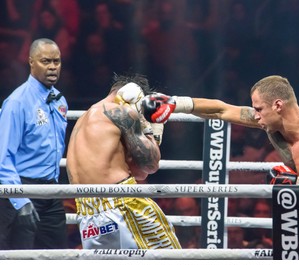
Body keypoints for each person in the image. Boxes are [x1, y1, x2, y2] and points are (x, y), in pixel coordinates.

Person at [142, 75, 299, 249]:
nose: (254, 115)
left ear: (278, 105)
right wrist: (176, 103)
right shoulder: (272, 126)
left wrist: (298, 183)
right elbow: (222, 110)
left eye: (258, 109)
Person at [66, 73, 181, 249]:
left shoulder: (83, 120)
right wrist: (148, 126)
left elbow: (139, 173)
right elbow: (151, 165)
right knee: (172, 264)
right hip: (123, 204)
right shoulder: (121, 112)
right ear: (134, 95)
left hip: (87, 214)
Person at [0, 38, 68, 249]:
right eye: (45, 61)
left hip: (51, 190)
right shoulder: (17, 102)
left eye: (56, 61)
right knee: (20, 261)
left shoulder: (60, 100)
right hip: (22, 188)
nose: (52, 67)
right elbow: (3, 158)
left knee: (58, 258)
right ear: (31, 62)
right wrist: (20, 200)